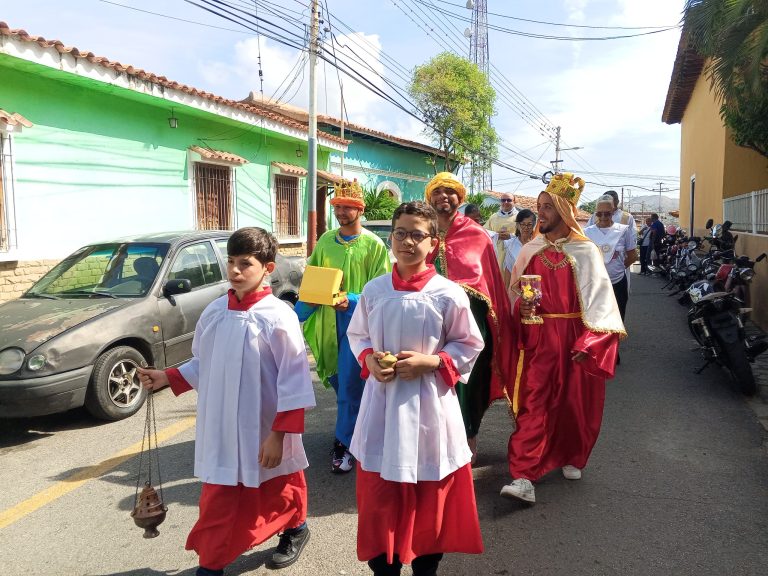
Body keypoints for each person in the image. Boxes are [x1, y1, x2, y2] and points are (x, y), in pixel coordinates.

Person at [137, 228, 316, 575]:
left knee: (280, 483)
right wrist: (168, 377)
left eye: (245, 263)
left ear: (268, 268)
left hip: (264, 425)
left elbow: (294, 382)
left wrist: (278, 435)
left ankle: (296, 528)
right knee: (219, 497)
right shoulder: (215, 311)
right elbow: (204, 362)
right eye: (231, 261)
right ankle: (211, 564)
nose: (234, 270)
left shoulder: (279, 316)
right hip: (220, 426)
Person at [347, 201, 485, 576]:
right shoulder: (374, 291)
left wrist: (435, 362)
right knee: (380, 497)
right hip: (383, 404)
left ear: (433, 243)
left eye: (417, 235)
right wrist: (369, 360)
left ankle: (427, 566)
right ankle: (384, 566)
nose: (408, 242)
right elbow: (358, 335)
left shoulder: (448, 293)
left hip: (430, 407)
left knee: (430, 495)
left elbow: (469, 343)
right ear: (391, 238)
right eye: (400, 233)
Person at [501, 173, 626, 504]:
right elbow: (516, 298)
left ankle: (573, 454)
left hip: (575, 339)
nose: (539, 213)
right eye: (539, 206)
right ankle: (524, 475)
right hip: (539, 338)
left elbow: (603, 305)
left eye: (546, 207)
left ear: (564, 210)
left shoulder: (586, 251)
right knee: (534, 405)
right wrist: (521, 307)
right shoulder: (531, 249)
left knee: (575, 406)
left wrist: (590, 343)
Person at [295, 179, 391, 474]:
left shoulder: (374, 246)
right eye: (337, 206)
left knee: (350, 384)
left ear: (360, 210)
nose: (340, 212)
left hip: (358, 326)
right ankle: (358, 429)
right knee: (338, 380)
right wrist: (295, 316)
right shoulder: (325, 241)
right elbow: (312, 282)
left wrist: (350, 299)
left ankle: (344, 443)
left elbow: (382, 291)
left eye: (347, 207)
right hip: (326, 323)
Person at [425, 172, 514, 463]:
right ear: (430, 197)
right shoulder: (422, 232)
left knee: (469, 382)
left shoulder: (476, 234)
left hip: (472, 322)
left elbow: (490, 284)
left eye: (450, 191)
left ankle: (468, 436)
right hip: (430, 322)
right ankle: (436, 440)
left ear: (459, 198)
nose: (444, 196)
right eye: (438, 191)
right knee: (433, 380)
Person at [584, 195, 637, 321]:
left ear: (613, 212)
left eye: (607, 213)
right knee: (596, 320)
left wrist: (619, 268)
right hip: (595, 284)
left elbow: (633, 256)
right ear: (595, 213)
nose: (603, 217)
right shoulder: (587, 232)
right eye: (599, 214)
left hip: (618, 283)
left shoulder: (623, 230)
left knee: (618, 319)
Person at [502, 209, 537, 289]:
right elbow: (508, 271)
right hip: (515, 288)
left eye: (529, 224)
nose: (526, 227)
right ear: (518, 225)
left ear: (534, 225)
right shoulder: (510, 245)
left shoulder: (537, 245)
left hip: (534, 287)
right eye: (523, 224)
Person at [485, 193, 519, 269]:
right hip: (496, 253)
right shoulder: (493, 217)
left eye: (509, 200)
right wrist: (496, 235)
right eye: (503, 200)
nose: (505, 202)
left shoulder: (519, 217)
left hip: (513, 252)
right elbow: (484, 232)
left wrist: (510, 236)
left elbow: (526, 234)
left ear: (514, 202)